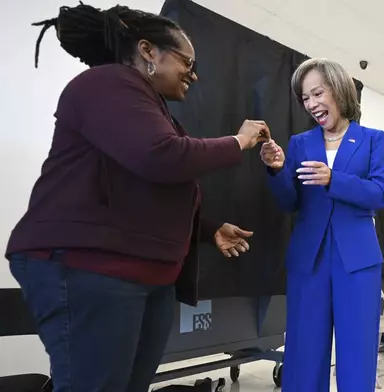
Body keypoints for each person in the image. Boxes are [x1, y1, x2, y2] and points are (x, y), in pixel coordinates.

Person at [6, 4, 270, 392]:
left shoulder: (148, 103)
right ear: (148, 50)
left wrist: (207, 230)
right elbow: (159, 156)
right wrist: (238, 141)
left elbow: (148, 187)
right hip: (89, 268)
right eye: (187, 62)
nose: (193, 75)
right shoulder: (108, 83)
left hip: (143, 275)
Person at [260, 58, 384, 392]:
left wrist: (335, 179)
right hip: (309, 258)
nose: (312, 103)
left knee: (357, 350)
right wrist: (276, 170)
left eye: (317, 93)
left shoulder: (372, 139)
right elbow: (290, 202)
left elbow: (379, 194)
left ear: (338, 89)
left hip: (357, 260)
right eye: (305, 98)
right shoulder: (300, 143)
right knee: (304, 350)